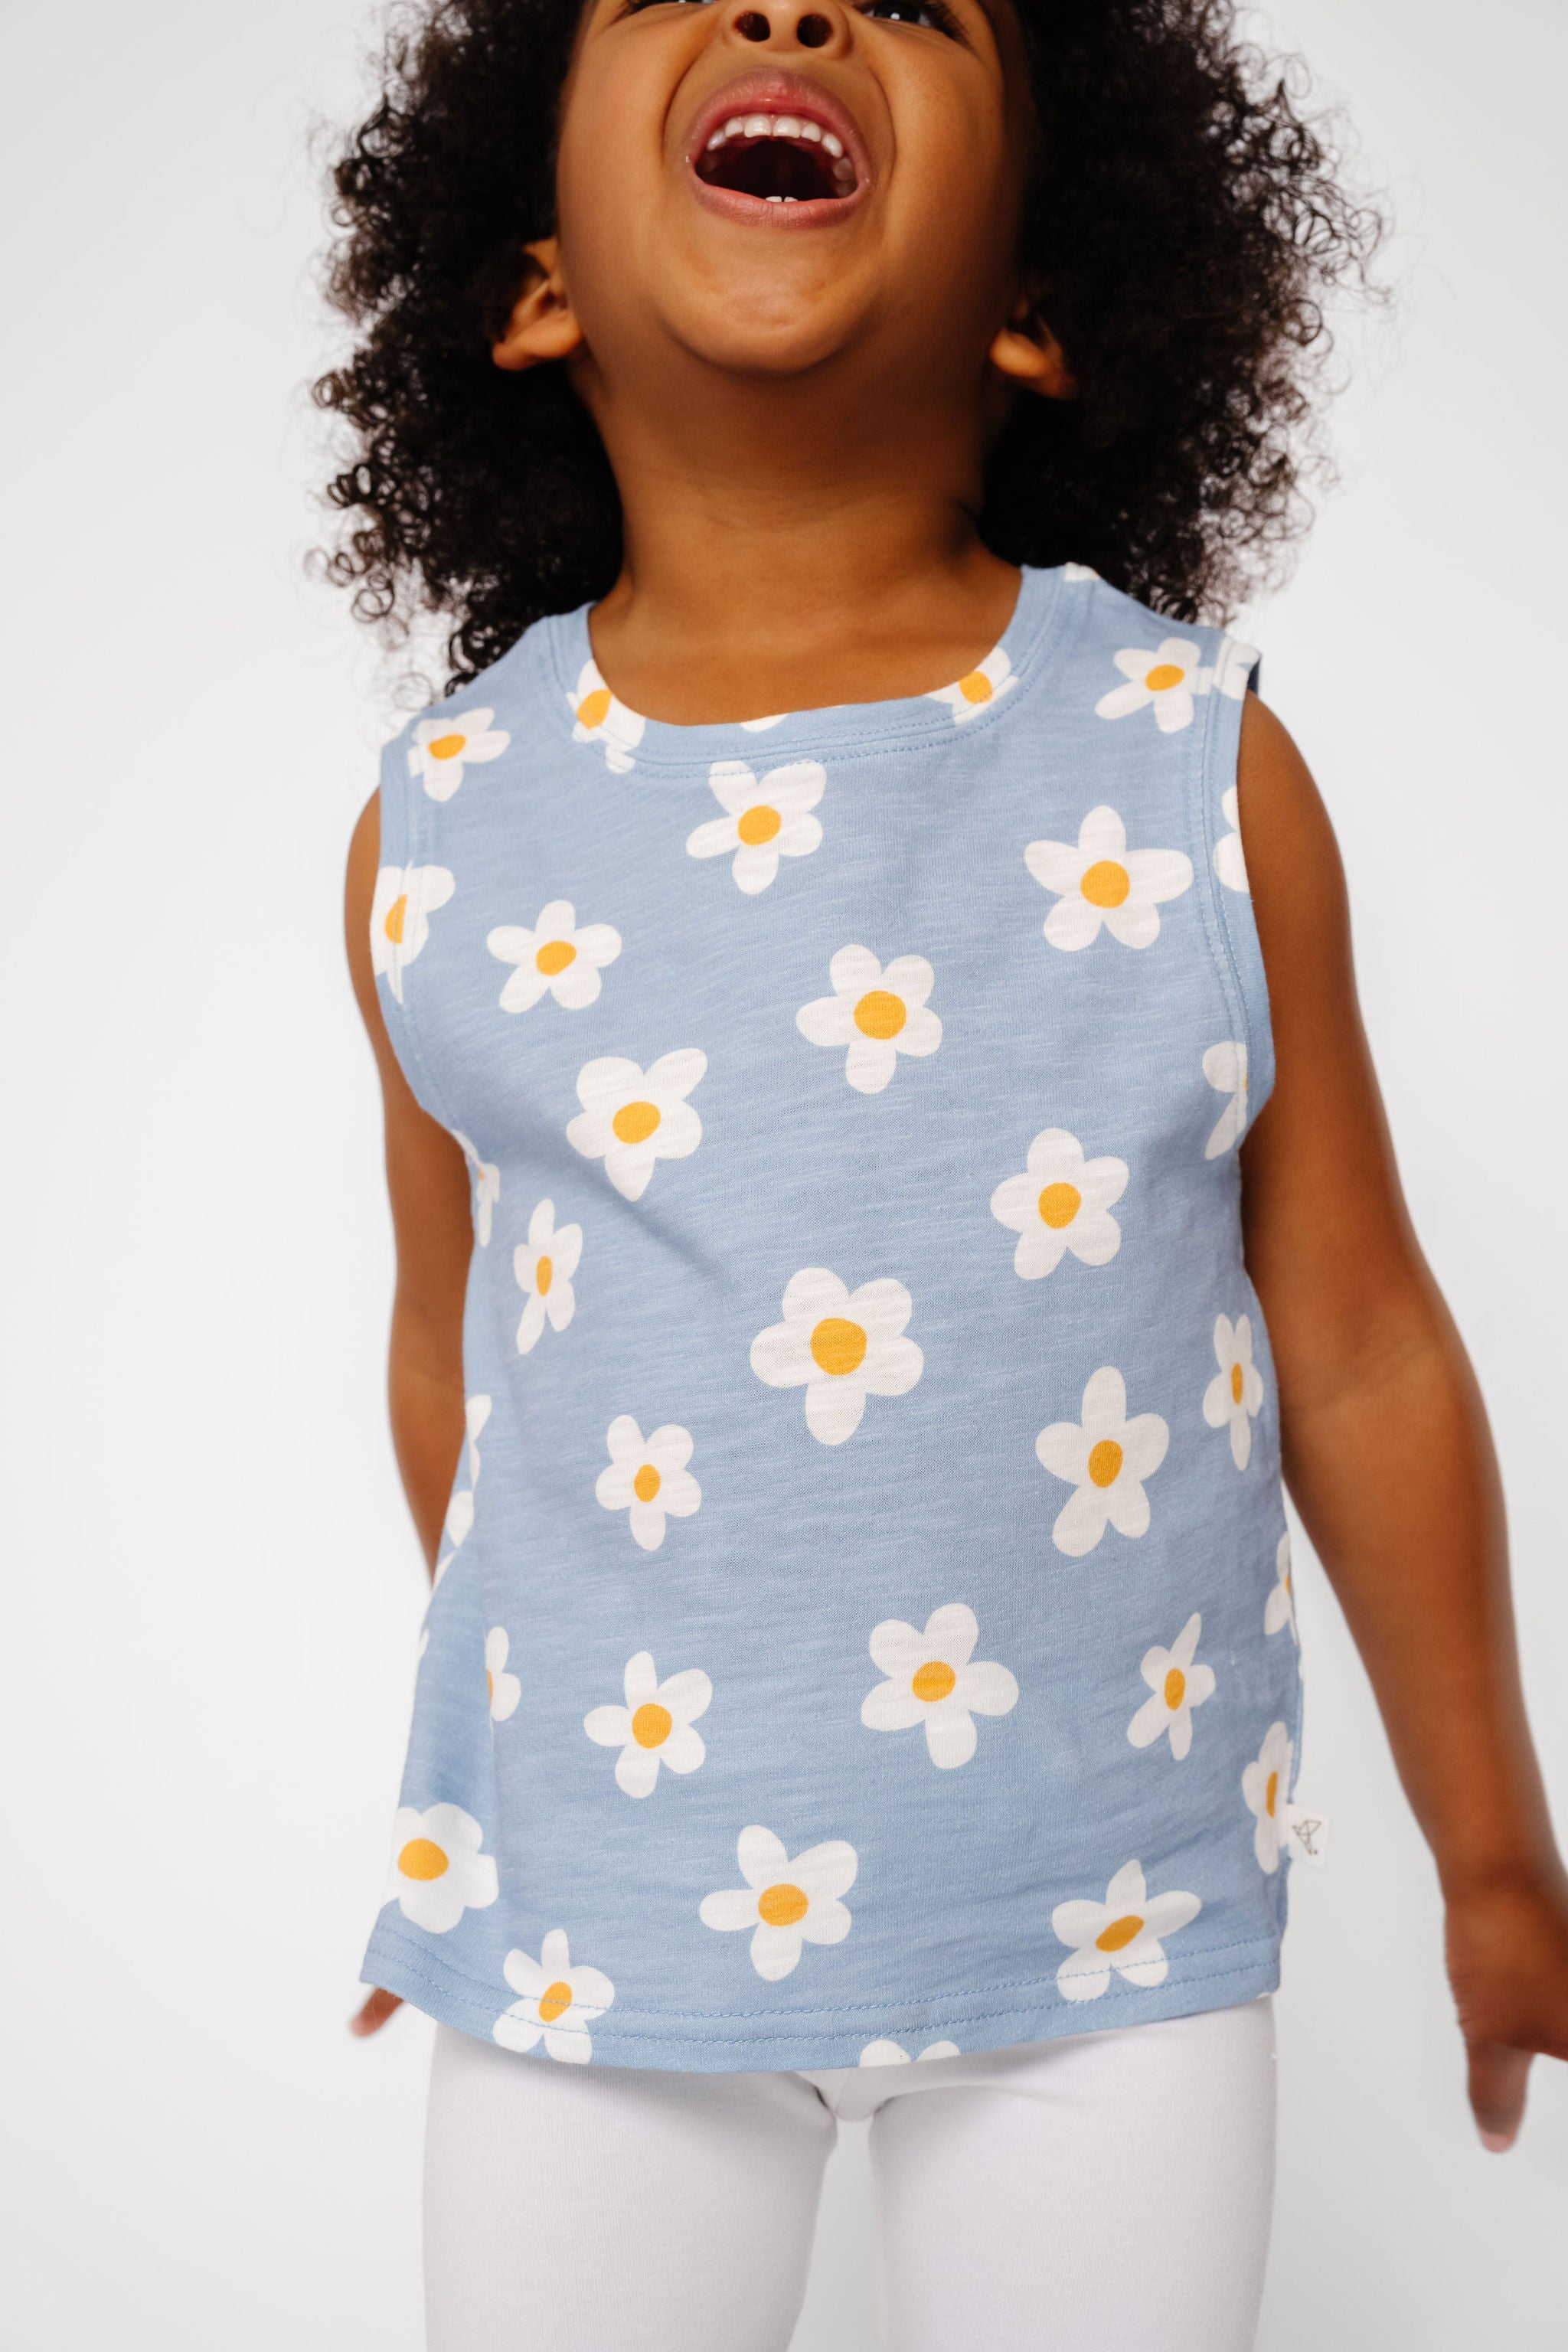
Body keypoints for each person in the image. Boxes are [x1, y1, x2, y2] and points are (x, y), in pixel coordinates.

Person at [320, 0, 1568, 2341]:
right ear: (534, 286)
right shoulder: (446, 828)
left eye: (914, 5)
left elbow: (1362, 1346)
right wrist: (520, 1796)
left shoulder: (1193, 771)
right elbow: (455, 1355)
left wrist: (1493, 1845)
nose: (792, 9)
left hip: (1106, 1951)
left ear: (1036, 306)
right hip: (602, 1951)